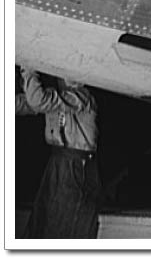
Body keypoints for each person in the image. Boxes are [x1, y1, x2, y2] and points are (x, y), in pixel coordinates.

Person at [16, 68, 101, 238]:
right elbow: (23, 104)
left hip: (76, 167)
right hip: (57, 164)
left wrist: (28, 67)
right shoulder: (59, 98)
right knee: (43, 224)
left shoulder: (82, 97)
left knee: (66, 227)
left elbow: (38, 101)